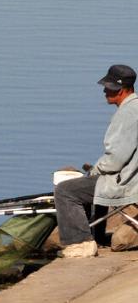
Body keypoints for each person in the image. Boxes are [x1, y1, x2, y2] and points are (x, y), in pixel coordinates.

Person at [55, 64, 138, 258]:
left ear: (123, 90)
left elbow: (116, 160)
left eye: (109, 87)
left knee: (65, 191)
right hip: (132, 177)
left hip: (128, 182)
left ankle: (80, 244)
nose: (104, 90)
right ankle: (97, 236)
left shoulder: (128, 113)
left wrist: (95, 170)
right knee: (90, 184)